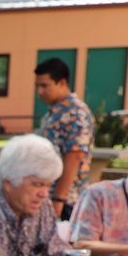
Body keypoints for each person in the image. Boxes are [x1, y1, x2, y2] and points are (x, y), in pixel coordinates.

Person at [34, 58, 94, 220]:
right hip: (46, 195)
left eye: (45, 86)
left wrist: (58, 198)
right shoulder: (55, 111)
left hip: (66, 202)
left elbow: (74, 157)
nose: (39, 92)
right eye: (37, 86)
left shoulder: (76, 112)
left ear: (62, 83)